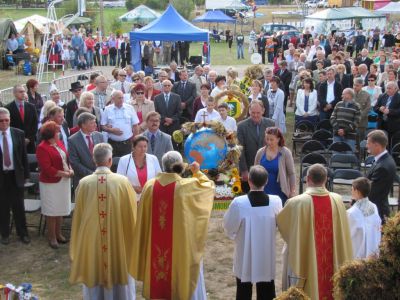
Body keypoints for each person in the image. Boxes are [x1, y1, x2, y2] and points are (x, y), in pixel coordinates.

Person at [131, 151, 215, 299]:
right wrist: (197, 172)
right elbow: (208, 187)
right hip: (182, 248)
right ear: (181, 166)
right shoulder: (186, 186)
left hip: (154, 249)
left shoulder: (149, 186)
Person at [69, 143, 137, 299]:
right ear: (110, 160)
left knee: (94, 267)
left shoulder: (84, 183)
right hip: (117, 238)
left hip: (93, 240)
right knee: (119, 269)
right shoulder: (122, 182)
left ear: (94, 160)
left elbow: (79, 215)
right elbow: (131, 213)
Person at [277, 164, 353, 300]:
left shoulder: (296, 202)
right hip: (332, 259)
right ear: (326, 179)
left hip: (306, 257)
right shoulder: (337, 200)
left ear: (307, 179)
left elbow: (283, 226)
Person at [224, 165, 282, 300]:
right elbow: (281, 224)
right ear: (266, 181)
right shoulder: (276, 202)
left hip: (245, 253)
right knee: (267, 290)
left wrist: (233, 234)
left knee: (243, 291)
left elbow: (229, 227)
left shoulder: (239, 203)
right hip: (266, 254)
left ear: (249, 181)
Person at [36, 121, 73, 249]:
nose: (59, 133)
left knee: (60, 209)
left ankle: (59, 234)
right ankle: (51, 237)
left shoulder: (59, 143)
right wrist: (64, 173)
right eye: (57, 131)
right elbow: (47, 168)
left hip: (63, 182)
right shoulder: (42, 147)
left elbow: (66, 159)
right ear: (51, 134)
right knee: (52, 211)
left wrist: (70, 168)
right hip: (51, 184)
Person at [0, 107, 30, 245]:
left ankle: (22, 233)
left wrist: (26, 175)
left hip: (16, 175)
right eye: (1, 121)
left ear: (10, 120)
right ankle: (5, 234)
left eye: (6, 120)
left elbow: (23, 157)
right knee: (3, 206)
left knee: (19, 206)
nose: (4, 123)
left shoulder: (18, 134)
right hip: (2, 176)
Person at [238, 100, 275, 193]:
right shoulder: (241, 126)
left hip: (268, 168)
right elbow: (239, 150)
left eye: (258, 113)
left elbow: (275, 145)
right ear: (249, 111)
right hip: (249, 168)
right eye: (253, 113)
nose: (255, 115)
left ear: (263, 111)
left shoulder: (271, 124)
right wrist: (244, 170)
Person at [255, 127, 296, 204]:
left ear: (278, 139)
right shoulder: (260, 152)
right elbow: (254, 173)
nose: (269, 142)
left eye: (271, 139)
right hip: (263, 191)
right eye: (267, 139)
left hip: (280, 191)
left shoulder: (285, 152)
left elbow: (291, 173)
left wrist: (292, 191)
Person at [366, 130, 397, 221]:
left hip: (377, 213)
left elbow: (372, 192)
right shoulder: (382, 160)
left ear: (377, 145)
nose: (367, 146)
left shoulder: (383, 166)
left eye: (368, 143)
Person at [347, 177, 381, 259]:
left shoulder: (351, 213)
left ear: (357, 191)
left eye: (352, 189)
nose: (351, 191)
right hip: (373, 250)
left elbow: (347, 235)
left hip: (357, 252)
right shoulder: (374, 207)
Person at [68, 112, 104, 189]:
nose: (95, 125)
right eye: (92, 123)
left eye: (95, 122)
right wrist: (92, 174)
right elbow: (74, 162)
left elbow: (104, 155)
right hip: (82, 180)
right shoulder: (73, 140)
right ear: (83, 125)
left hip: (100, 179)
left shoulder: (99, 136)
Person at [101, 90, 139, 157]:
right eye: (119, 98)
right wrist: (111, 130)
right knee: (113, 165)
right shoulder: (107, 109)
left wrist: (135, 142)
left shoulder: (129, 108)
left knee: (127, 164)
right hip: (112, 144)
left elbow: (135, 125)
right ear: (113, 99)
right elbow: (102, 126)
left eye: (122, 97)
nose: (121, 100)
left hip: (127, 143)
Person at [5, 85, 38, 154]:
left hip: (30, 143)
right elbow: (8, 126)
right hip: (15, 143)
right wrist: (18, 139)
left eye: (24, 91)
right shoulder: (8, 108)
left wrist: (29, 139)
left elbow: (35, 124)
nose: (23, 93)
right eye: (20, 92)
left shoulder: (31, 107)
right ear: (14, 93)